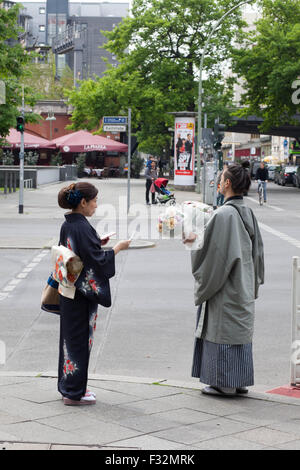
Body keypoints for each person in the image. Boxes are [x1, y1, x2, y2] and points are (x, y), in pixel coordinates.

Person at [184, 164, 264, 397]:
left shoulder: (223, 214)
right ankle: (238, 381)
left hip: (225, 285)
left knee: (221, 331)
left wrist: (192, 242)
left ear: (227, 183)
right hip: (243, 282)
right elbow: (257, 253)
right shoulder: (246, 211)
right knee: (238, 332)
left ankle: (223, 383)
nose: (218, 181)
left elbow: (214, 257)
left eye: (221, 178)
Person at [57, 182, 131, 405]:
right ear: (83, 202)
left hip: (69, 290)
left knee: (70, 341)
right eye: (95, 201)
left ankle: (70, 386)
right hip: (81, 294)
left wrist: (97, 243)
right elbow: (96, 262)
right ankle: (74, 392)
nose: (96, 206)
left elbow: (81, 252)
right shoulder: (82, 227)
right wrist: (117, 248)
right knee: (79, 341)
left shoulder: (69, 224)